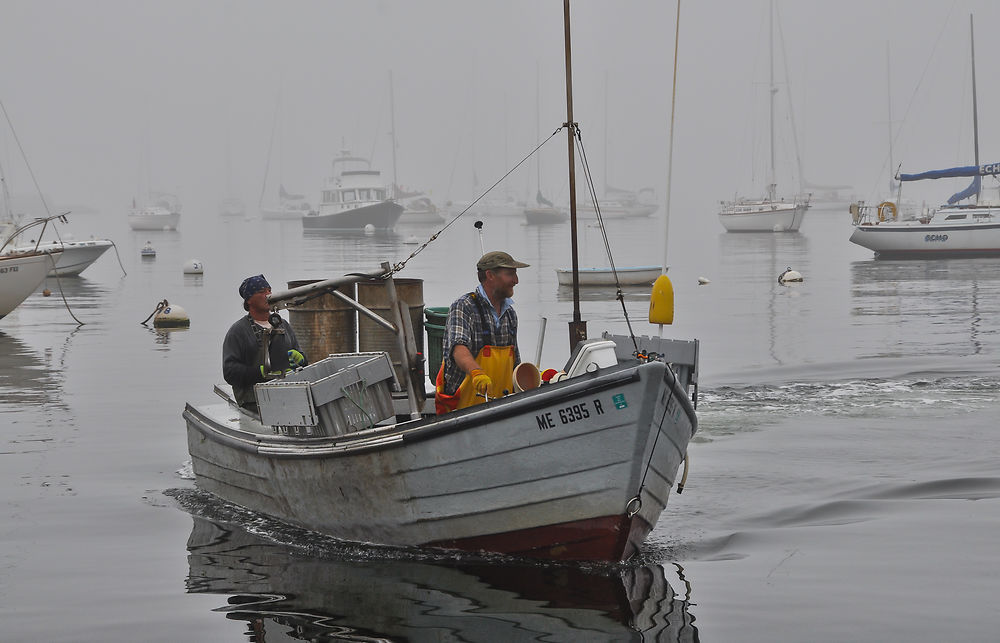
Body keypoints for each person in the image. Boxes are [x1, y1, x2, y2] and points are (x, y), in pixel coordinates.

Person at [435, 250, 529, 414]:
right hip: (461, 411)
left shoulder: (510, 314)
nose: (516, 281)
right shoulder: (464, 306)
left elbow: (514, 362)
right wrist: (476, 373)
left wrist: (535, 377)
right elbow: (458, 348)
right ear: (490, 275)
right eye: (510, 274)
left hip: (499, 408)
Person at [223, 274, 308, 413]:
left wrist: (301, 359)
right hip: (254, 403)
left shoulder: (283, 325)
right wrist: (260, 372)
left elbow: (303, 359)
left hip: (287, 398)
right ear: (249, 300)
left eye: (269, 290)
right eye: (261, 292)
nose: (268, 295)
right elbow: (230, 372)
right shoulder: (237, 331)